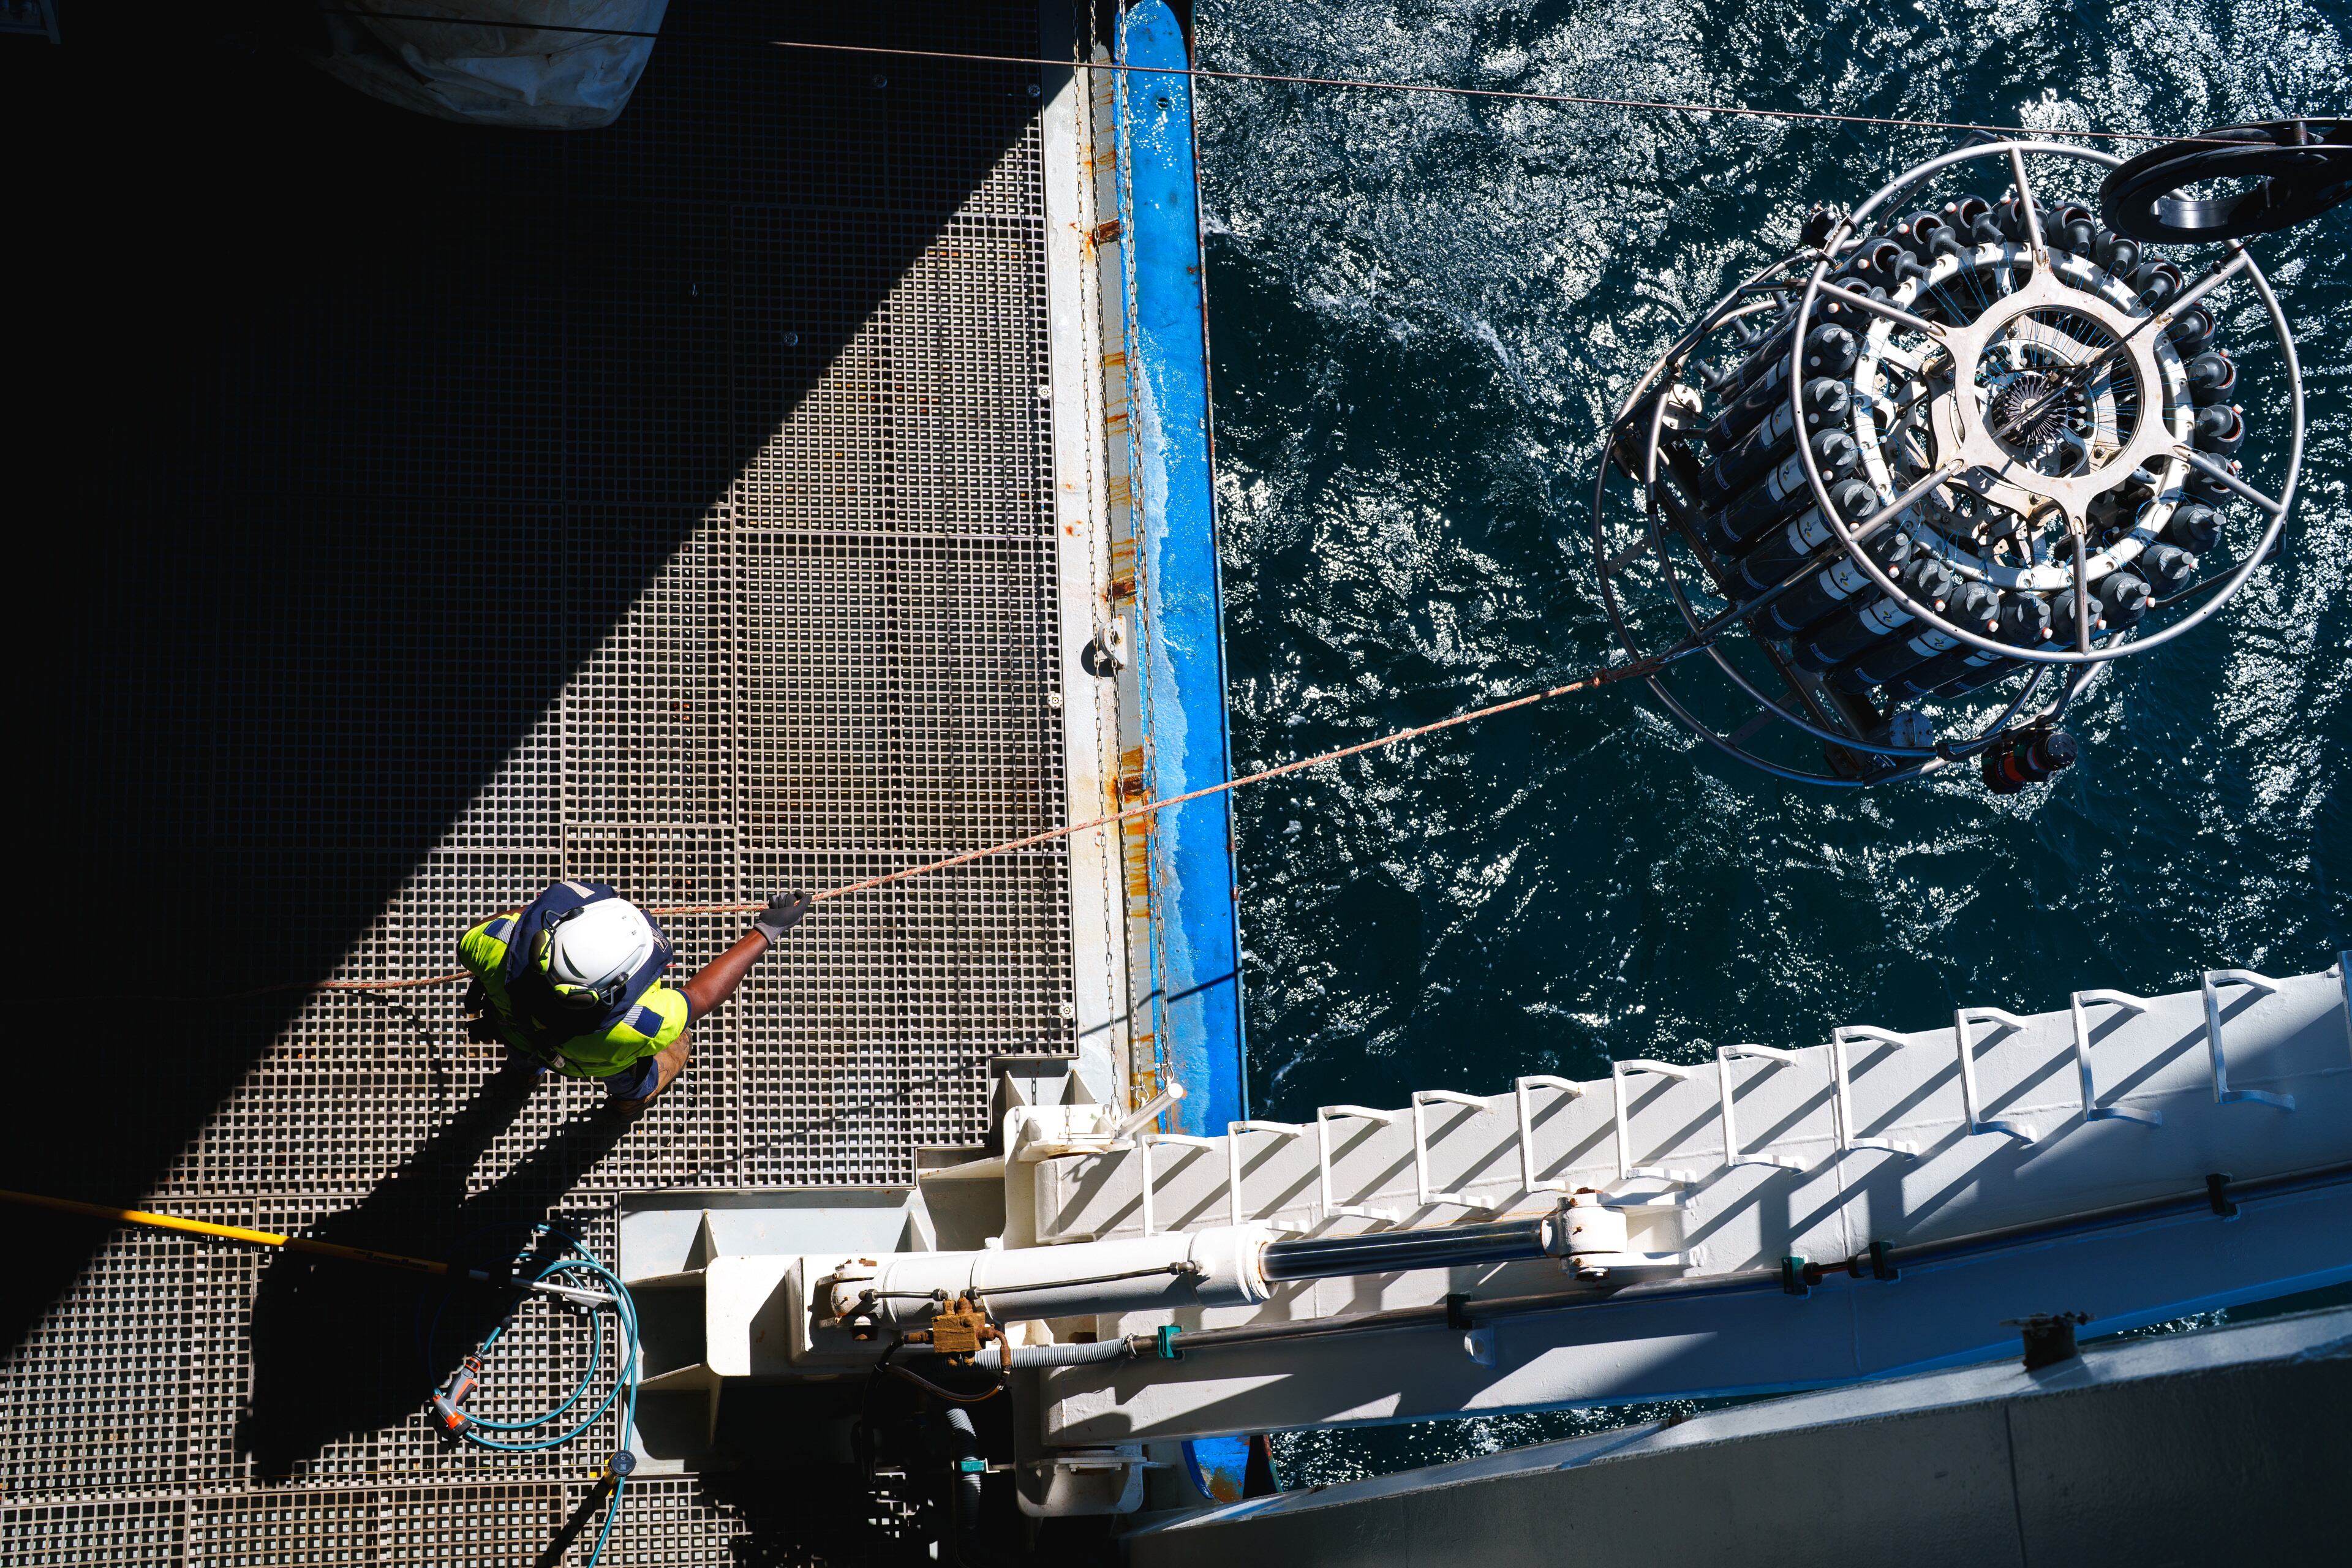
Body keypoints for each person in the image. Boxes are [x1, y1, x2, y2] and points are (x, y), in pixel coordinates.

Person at [457, 880, 809, 1111]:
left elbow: (492, 928)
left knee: (523, 1050)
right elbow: (699, 997)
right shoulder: (639, 1024)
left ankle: (524, 1077)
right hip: (591, 1060)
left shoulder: (489, 948)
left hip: (517, 1029)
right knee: (634, 1074)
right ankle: (629, 1102)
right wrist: (767, 929)